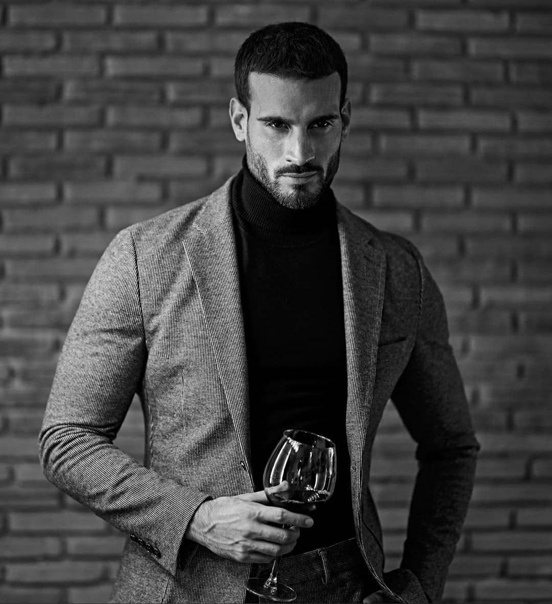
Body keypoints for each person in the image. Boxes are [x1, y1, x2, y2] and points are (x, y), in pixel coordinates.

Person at [39, 22, 479, 604]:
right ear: (239, 120)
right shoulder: (145, 257)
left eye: (320, 124)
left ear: (345, 118)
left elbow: (451, 447)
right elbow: (67, 441)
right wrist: (196, 517)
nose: (300, 152)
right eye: (276, 125)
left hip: (344, 585)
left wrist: (419, 587)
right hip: (188, 588)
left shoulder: (397, 270)